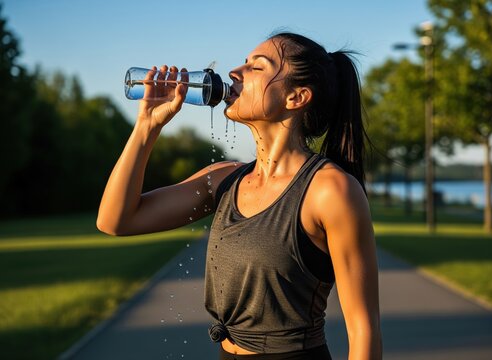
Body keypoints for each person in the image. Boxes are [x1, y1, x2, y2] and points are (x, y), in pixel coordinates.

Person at [97, 32, 382, 360]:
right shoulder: (223, 179)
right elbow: (115, 220)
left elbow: (364, 328)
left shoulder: (330, 190)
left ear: (297, 97)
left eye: (256, 67)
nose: (235, 71)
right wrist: (147, 126)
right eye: (244, 62)